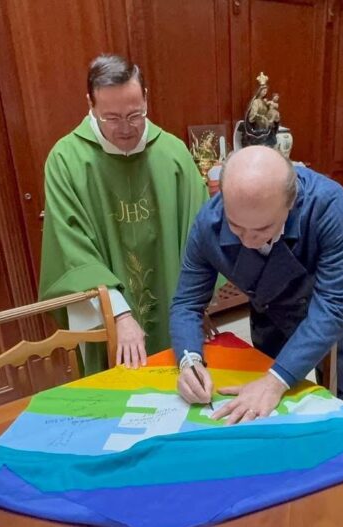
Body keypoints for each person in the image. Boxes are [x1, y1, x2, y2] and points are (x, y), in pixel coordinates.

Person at [170, 146, 343, 424]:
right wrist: (189, 360)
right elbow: (186, 303)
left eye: (262, 229)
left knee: (333, 407)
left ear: (291, 203)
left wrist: (276, 380)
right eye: (236, 227)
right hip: (273, 315)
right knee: (267, 411)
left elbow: (333, 305)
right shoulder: (208, 223)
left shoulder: (326, 203)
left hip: (338, 316)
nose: (248, 242)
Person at [39, 54, 209, 372]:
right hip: (106, 314)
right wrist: (119, 314)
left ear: (146, 98)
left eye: (135, 115)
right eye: (112, 118)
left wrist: (197, 304)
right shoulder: (66, 161)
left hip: (173, 304)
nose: (126, 129)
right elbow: (72, 250)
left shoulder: (173, 154)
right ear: (90, 105)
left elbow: (201, 235)